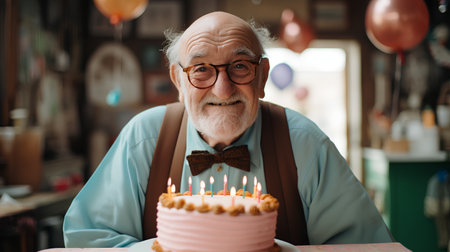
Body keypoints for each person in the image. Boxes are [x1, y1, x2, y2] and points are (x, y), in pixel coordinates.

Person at [63, 11, 392, 247]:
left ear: (262, 77)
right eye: (202, 69)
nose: (222, 89)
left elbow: (367, 246)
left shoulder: (304, 143)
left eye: (239, 67)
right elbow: (87, 239)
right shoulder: (144, 138)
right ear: (179, 80)